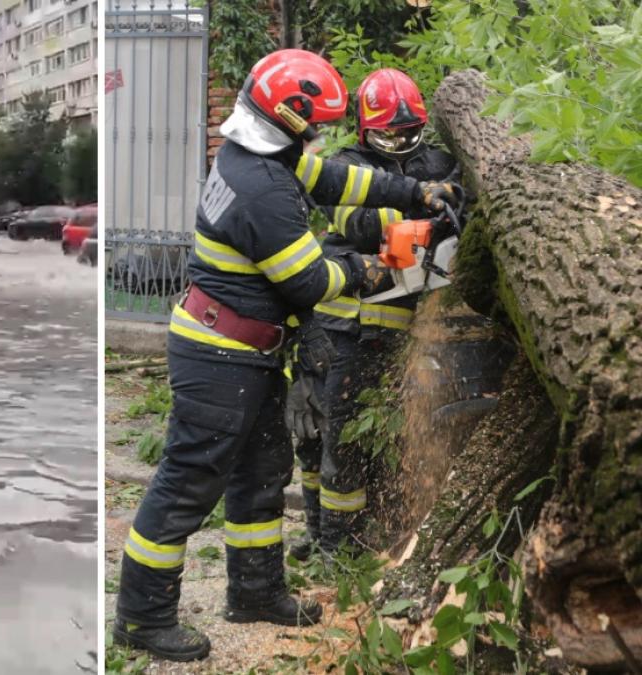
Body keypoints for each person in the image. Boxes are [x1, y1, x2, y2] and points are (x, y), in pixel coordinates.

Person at [111, 50, 461, 662]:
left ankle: (255, 591)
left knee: (261, 472)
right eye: (315, 123)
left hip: (251, 348)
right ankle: (142, 616)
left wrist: (417, 191)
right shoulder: (260, 190)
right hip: (219, 352)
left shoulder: (263, 155)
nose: (321, 134)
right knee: (189, 481)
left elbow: (340, 180)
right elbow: (308, 282)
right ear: (290, 115)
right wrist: (376, 270)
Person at [289, 68, 460, 561]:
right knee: (324, 432)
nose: (401, 142)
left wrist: (439, 209)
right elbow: (357, 222)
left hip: (405, 324)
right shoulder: (346, 163)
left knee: (370, 437)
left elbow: (460, 207)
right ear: (367, 129)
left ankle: (355, 540)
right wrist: (419, 216)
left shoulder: (439, 162)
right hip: (341, 324)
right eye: (389, 133)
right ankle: (329, 543)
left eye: (409, 132)